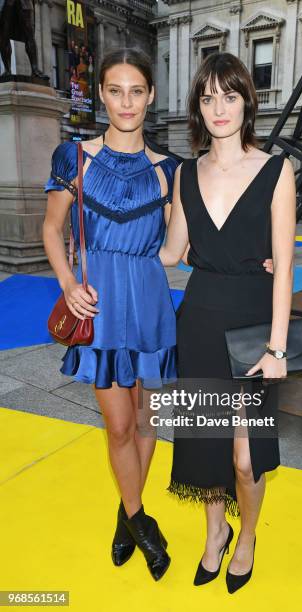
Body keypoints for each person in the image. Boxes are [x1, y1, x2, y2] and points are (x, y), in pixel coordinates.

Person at [159, 52, 296, 593]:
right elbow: (171, 252)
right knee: (208, 444)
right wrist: (107, 237)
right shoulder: (184, 174)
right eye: (208, 96)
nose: (219, 107)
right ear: (197, 105)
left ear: (247, 101)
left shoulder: (275, 170)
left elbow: (284, 264)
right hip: (197, 323)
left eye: (230, 95)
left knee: (245, 457)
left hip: (256, 330)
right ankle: (215, 534)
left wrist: (279, 347)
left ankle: (247, 538)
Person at [43, 47, 181, 581]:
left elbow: (179, 249)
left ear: (150, 96)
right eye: (116, 90)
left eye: (137, 91)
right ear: (101, 93)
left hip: (150, 302)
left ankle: (127, 518)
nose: (127, 101)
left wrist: (255, 257)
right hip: (99, 305)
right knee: (119, 425)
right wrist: (68, 282)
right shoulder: (72, 157)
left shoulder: (170, 170)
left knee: (147, 420)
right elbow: (52, 229)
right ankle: (143, 523)